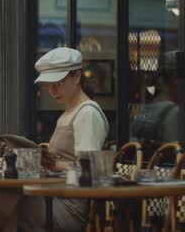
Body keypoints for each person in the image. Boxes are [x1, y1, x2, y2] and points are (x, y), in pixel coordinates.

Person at [33, 47, 109, 231]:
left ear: (76, 77)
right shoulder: (68, 113)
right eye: (48, 84)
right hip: (53, 195)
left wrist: (53, 164)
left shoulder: (87, 113)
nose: (52, 90)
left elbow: (90, 170)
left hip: (68, 206)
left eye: (57, 82)